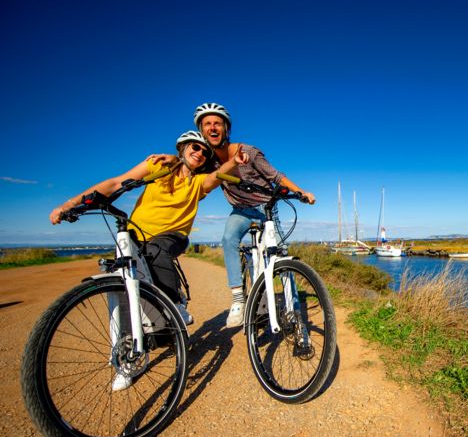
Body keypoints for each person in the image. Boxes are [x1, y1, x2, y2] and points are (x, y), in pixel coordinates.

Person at [50, 130, 248, 327]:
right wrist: (69, 205)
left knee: (156, 248)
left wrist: (234, 162)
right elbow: (116, 183)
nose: (200, 153)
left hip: (172, 237)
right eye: (196, 147)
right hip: (136, 235)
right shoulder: (158, 166)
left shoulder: (198, 183)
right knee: (127, 278)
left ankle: (175, 305)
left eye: (205, 153)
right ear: (183, 148)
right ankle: (135, 338)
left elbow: (217, 175)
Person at [193, 102, 316, 328]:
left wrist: (301, 192)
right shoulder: (207, 161)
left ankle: (293, 311)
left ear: (226, 129)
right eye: (207, 124)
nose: (212, 128)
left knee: (281, 257)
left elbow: (276, 177)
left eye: (217, 123)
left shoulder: (248, 152)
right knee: (229, 239)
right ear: (201, 130)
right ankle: (239, 299)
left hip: (266, 209)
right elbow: (188, 170)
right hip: (240, 210)